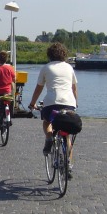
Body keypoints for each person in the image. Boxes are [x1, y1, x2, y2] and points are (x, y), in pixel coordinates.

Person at [28, 43, 78, 176]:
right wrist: (75, 103)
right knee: (67, 134)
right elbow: (74, 88)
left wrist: (32, 103)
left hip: (51, 103)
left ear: (49, 54)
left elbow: (39, 88)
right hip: (69, 103)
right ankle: (69, 164)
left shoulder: (46, 68)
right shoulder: (69, 67)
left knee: (47, 121)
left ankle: (49, 137)